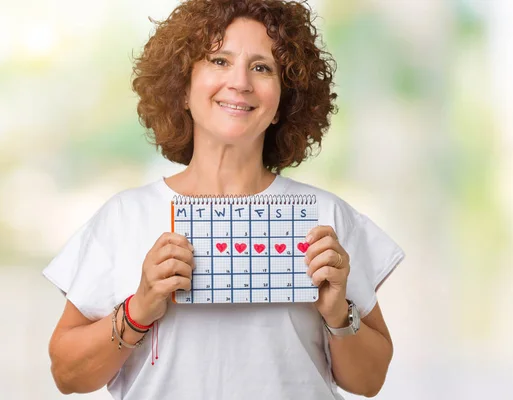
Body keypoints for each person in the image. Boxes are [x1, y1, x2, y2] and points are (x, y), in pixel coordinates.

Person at [43, 0, 404, 399]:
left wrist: (339, 314)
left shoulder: (325, 218)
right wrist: (138, 309)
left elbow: (369, 382)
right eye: (219, 61)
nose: (240, 82)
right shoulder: (123, 218)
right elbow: (67, 375)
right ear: (182, 88)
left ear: (283, 102)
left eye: (262, 67)